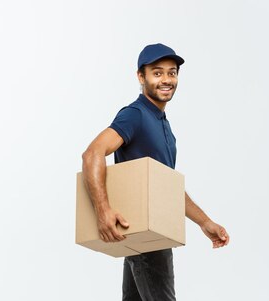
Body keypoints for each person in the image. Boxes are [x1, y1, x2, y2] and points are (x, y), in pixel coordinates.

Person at [81, 43, 230, 301]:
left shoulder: (166, 129)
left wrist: (205, 222)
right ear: (141, 77)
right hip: (146, 235)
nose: (166, 79)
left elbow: (167, 188)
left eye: (172, 73)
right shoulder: (135, 115)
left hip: (149, 234)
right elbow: (92, 153)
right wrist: (103, 210)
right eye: (157, 72)